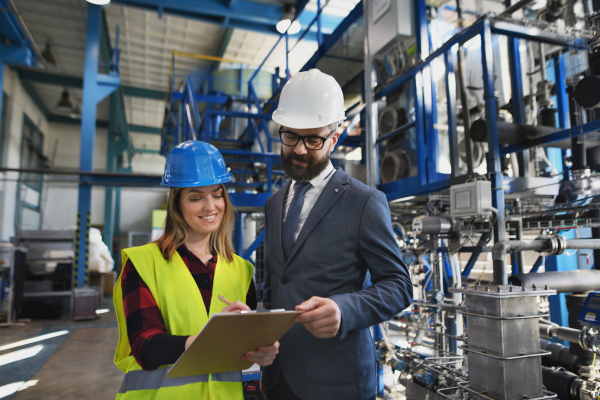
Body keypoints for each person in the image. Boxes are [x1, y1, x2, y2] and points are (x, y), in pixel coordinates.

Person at [262, 69, 413, 400]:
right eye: (290, 137)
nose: (299, 150)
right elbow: (275, 286)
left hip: (334, 381)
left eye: (313, 139)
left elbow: (399, 286)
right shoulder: (273, 205)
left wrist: (345, 309)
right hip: (276, 378)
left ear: (334, 137)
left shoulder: (363, 202)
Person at [113, 140, 279, 400]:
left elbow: (243, 361)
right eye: (196, 197)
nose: (211, 206)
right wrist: (207, 340)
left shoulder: (241, 271)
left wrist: (259, 354)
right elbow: (145, 345)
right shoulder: (143, 263)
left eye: (217, 194)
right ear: (176, 204)